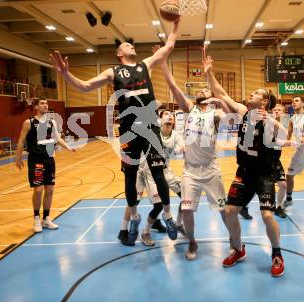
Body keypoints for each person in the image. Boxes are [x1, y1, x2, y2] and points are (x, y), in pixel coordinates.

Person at [49, 19, 180, 245]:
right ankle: (135, 217)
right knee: (129, 177)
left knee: (159, 173)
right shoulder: (113, 71)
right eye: (127, 46)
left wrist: (176, 24)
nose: (132, 46)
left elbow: (168, 46)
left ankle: (167, 216)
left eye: (132, 45)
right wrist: (65, 75)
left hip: (150, 127)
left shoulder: (145, 65)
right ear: (119, 53)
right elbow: (85, 86)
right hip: (129, 130)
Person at [205, 56, 286, 277]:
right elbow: (220, 93)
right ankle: (239, 249)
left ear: (265, 101)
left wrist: (268, 119)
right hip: (245, 172)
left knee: (268, 216)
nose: (252, 93)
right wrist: (208, 72)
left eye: (258, 93)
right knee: (230, 212)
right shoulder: (243, 112)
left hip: (265, 175)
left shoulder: (271, 122)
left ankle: (277, 254)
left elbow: (285, 133)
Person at [159, 52, 229, 260]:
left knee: (224, 211)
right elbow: (174, 88)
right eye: (200, 90)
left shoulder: (215, 114)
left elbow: (228, 107)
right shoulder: (190, 109)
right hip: (190, 171)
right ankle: (192, 242)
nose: (201, 90)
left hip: (211, 170)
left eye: (205, 89)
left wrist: (213, 85)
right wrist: (163, 64)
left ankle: (235, 242)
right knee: (187, 210)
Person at [120, 109, 186, 247]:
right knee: (136, 202)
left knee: (186, 197)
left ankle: (178, 224)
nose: (170, 116)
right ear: (159, 120)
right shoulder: (153, 132)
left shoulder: (176, 135)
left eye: (172, 115)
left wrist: (182, 147)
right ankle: (127, 230)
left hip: (165, 171)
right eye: (166, 114)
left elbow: (181, 143)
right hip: (145, 171)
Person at [15, 97, 76, 232]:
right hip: (36, 159)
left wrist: (68, 147)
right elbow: (20, 141)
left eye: (46, 103)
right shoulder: (29, 122)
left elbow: (57, 138)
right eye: (42, 103)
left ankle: (46, 218)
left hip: (49, 159)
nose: (45, 105)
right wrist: (18, 158)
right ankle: (36, 219)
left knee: (50, 190)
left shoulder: (51, 122)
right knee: (38, 190)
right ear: (36, 107)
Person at [272, 104, 288, 218]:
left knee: (282, 184)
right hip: (262, 159)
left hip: (275, 159)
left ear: (283, 113)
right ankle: (243, 206)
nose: (277, 111)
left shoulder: (285, 125)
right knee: (254, 185)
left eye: (279, 110)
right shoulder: (266, 122)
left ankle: (278, 206)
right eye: (275, 109)